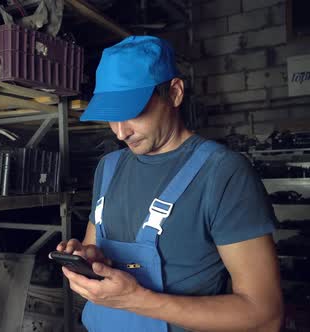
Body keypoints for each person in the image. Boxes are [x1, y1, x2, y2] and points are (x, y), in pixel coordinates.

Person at [57, 35, 283, 332]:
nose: (120, 132)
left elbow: (265, 316)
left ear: (175, 93)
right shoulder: (108, 167)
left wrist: (137, 299)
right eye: (112, 116)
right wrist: (90, 260)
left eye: (134, 111)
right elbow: (94, 248)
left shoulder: (223, 173)